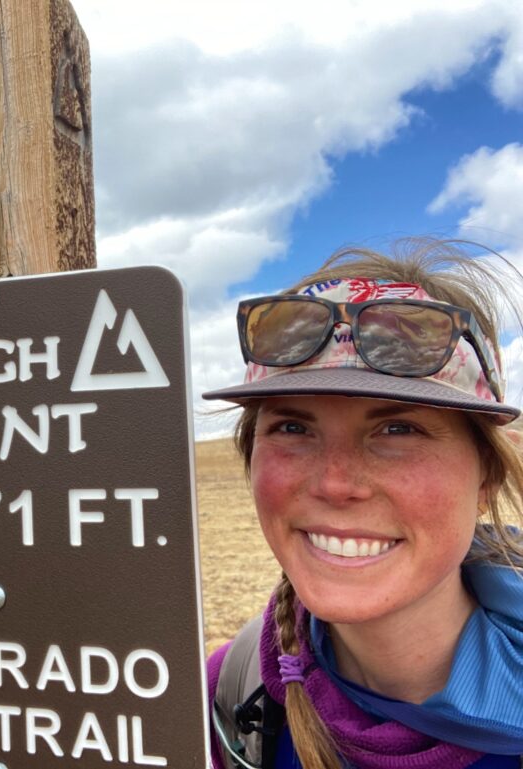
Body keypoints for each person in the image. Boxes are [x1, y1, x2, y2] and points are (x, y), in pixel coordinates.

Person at [202, 239, 523, 769]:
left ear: (486, 474)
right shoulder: (233, 690)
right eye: (292, 427)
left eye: (398, 428)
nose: (335, 483)